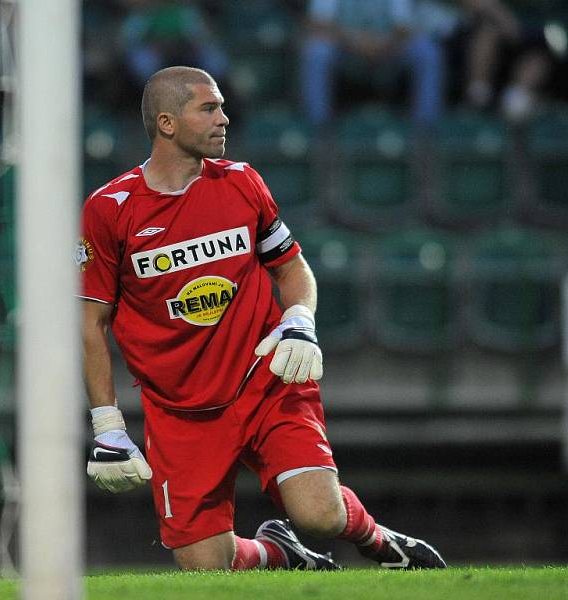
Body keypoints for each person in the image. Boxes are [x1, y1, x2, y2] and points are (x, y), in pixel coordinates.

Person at [78, 66, 447, 571]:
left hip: (265, 380)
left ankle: (381, 543)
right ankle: (281, 553)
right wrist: (106, 423)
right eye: (208, 108)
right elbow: (91, 323)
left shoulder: (242, 183)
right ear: (166, 123)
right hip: (179, 409)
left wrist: (299, 319)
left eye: (222, 107)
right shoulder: (109, 209)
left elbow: (293, 269)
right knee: (207, 566)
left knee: (318, 514)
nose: (224, 119)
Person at [299, 0, 446, 129]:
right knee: (317, 52)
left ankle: (425, 129)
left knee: (427, 51)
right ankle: (319, 128)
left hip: (388, 51)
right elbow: (318, 22)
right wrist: (355, 41)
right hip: (345, 52)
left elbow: (404, 28)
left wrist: (381, 45)